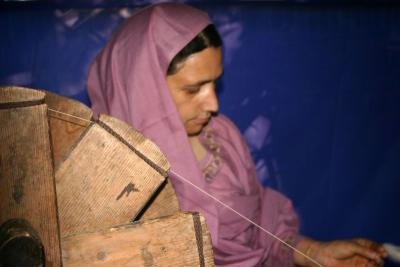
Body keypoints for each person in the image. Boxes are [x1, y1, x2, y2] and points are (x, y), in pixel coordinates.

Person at [87, 3, 387, 266]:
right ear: (143, 89)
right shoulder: (97, 178)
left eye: (214, 84)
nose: (213, 104)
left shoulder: (223, 138)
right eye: (193, 89)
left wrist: (312, 252)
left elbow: (260, 234)